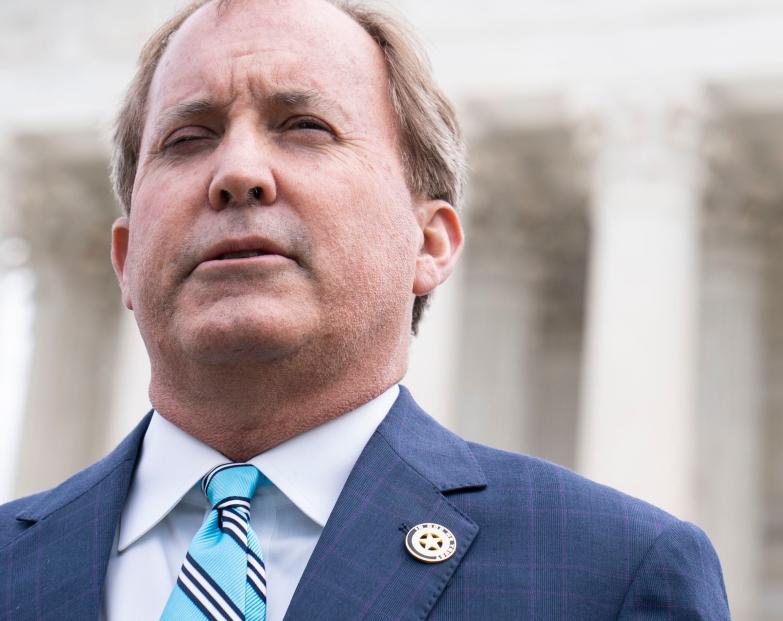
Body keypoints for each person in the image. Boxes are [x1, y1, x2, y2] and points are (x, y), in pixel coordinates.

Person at [0, 0, 730, 618]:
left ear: (430, 241)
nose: (239, 173)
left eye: (304, 127)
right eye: (188, 139)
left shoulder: (608, 575)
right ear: (124, 259)